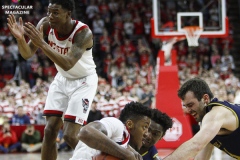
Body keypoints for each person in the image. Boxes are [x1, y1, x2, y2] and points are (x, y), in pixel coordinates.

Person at [7, 0, 98, 159]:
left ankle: (102, 155)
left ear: (68, 14)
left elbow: (68, 63)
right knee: (49, 131)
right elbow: (27, 53)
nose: (50, 16)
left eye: (55, 12)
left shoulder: (84, 33)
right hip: (62, 78)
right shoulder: (46, 25)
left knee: (70, 135)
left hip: (84, 81)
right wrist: (21, 39)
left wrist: (42, 43)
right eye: (49, 12)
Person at [163, 77, 240, 160]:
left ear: (205, 98)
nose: (188, 110)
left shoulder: (217, 113)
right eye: (186, 106)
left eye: (190, 105)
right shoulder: (206, 123)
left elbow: (196, 145)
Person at [70, 101, 152, 160]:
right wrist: (126, 154)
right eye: (145, 127)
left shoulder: (127, 146)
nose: (146, 134)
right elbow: (85, 132)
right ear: (130, 124)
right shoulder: (117, 124)